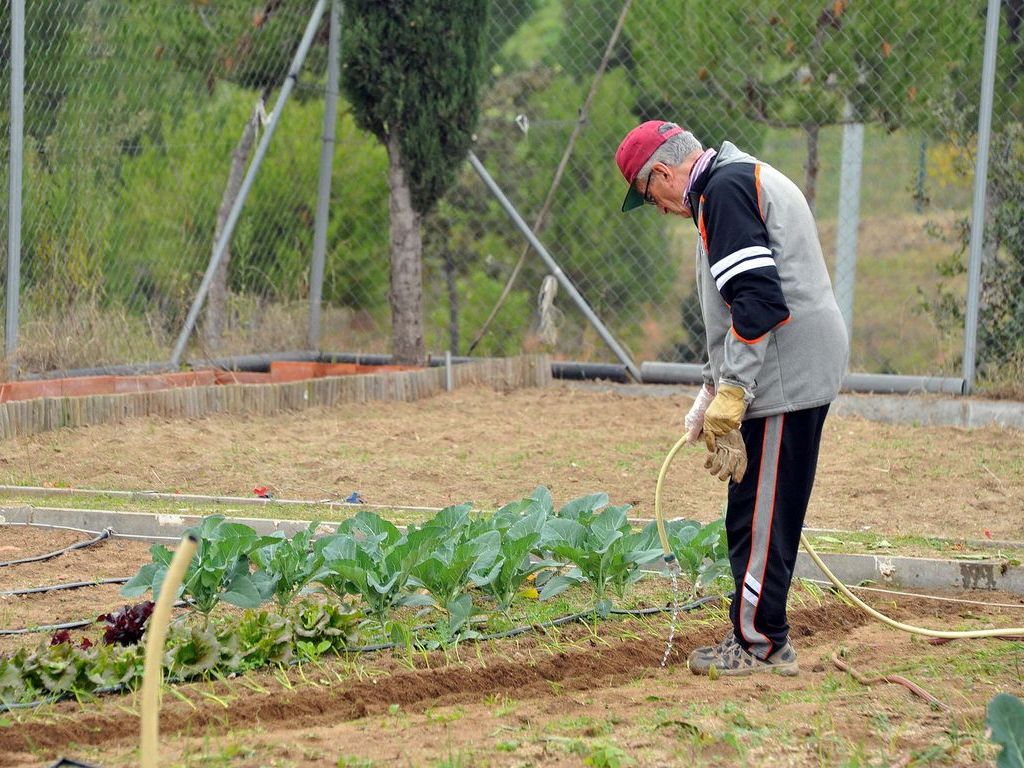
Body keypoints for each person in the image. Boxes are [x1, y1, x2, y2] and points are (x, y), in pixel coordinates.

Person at [615, 120, 849, 677]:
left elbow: (759, 302)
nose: (660, 209)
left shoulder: (723, 192)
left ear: (665, 174)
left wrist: (734, 394)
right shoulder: (727, 184)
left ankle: (759, 645)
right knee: (752, 508)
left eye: (651, 196)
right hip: (785, 367)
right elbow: (732, 310)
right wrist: (708, 391)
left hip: (785, 373)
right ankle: (757, 635)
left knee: (761, 515)